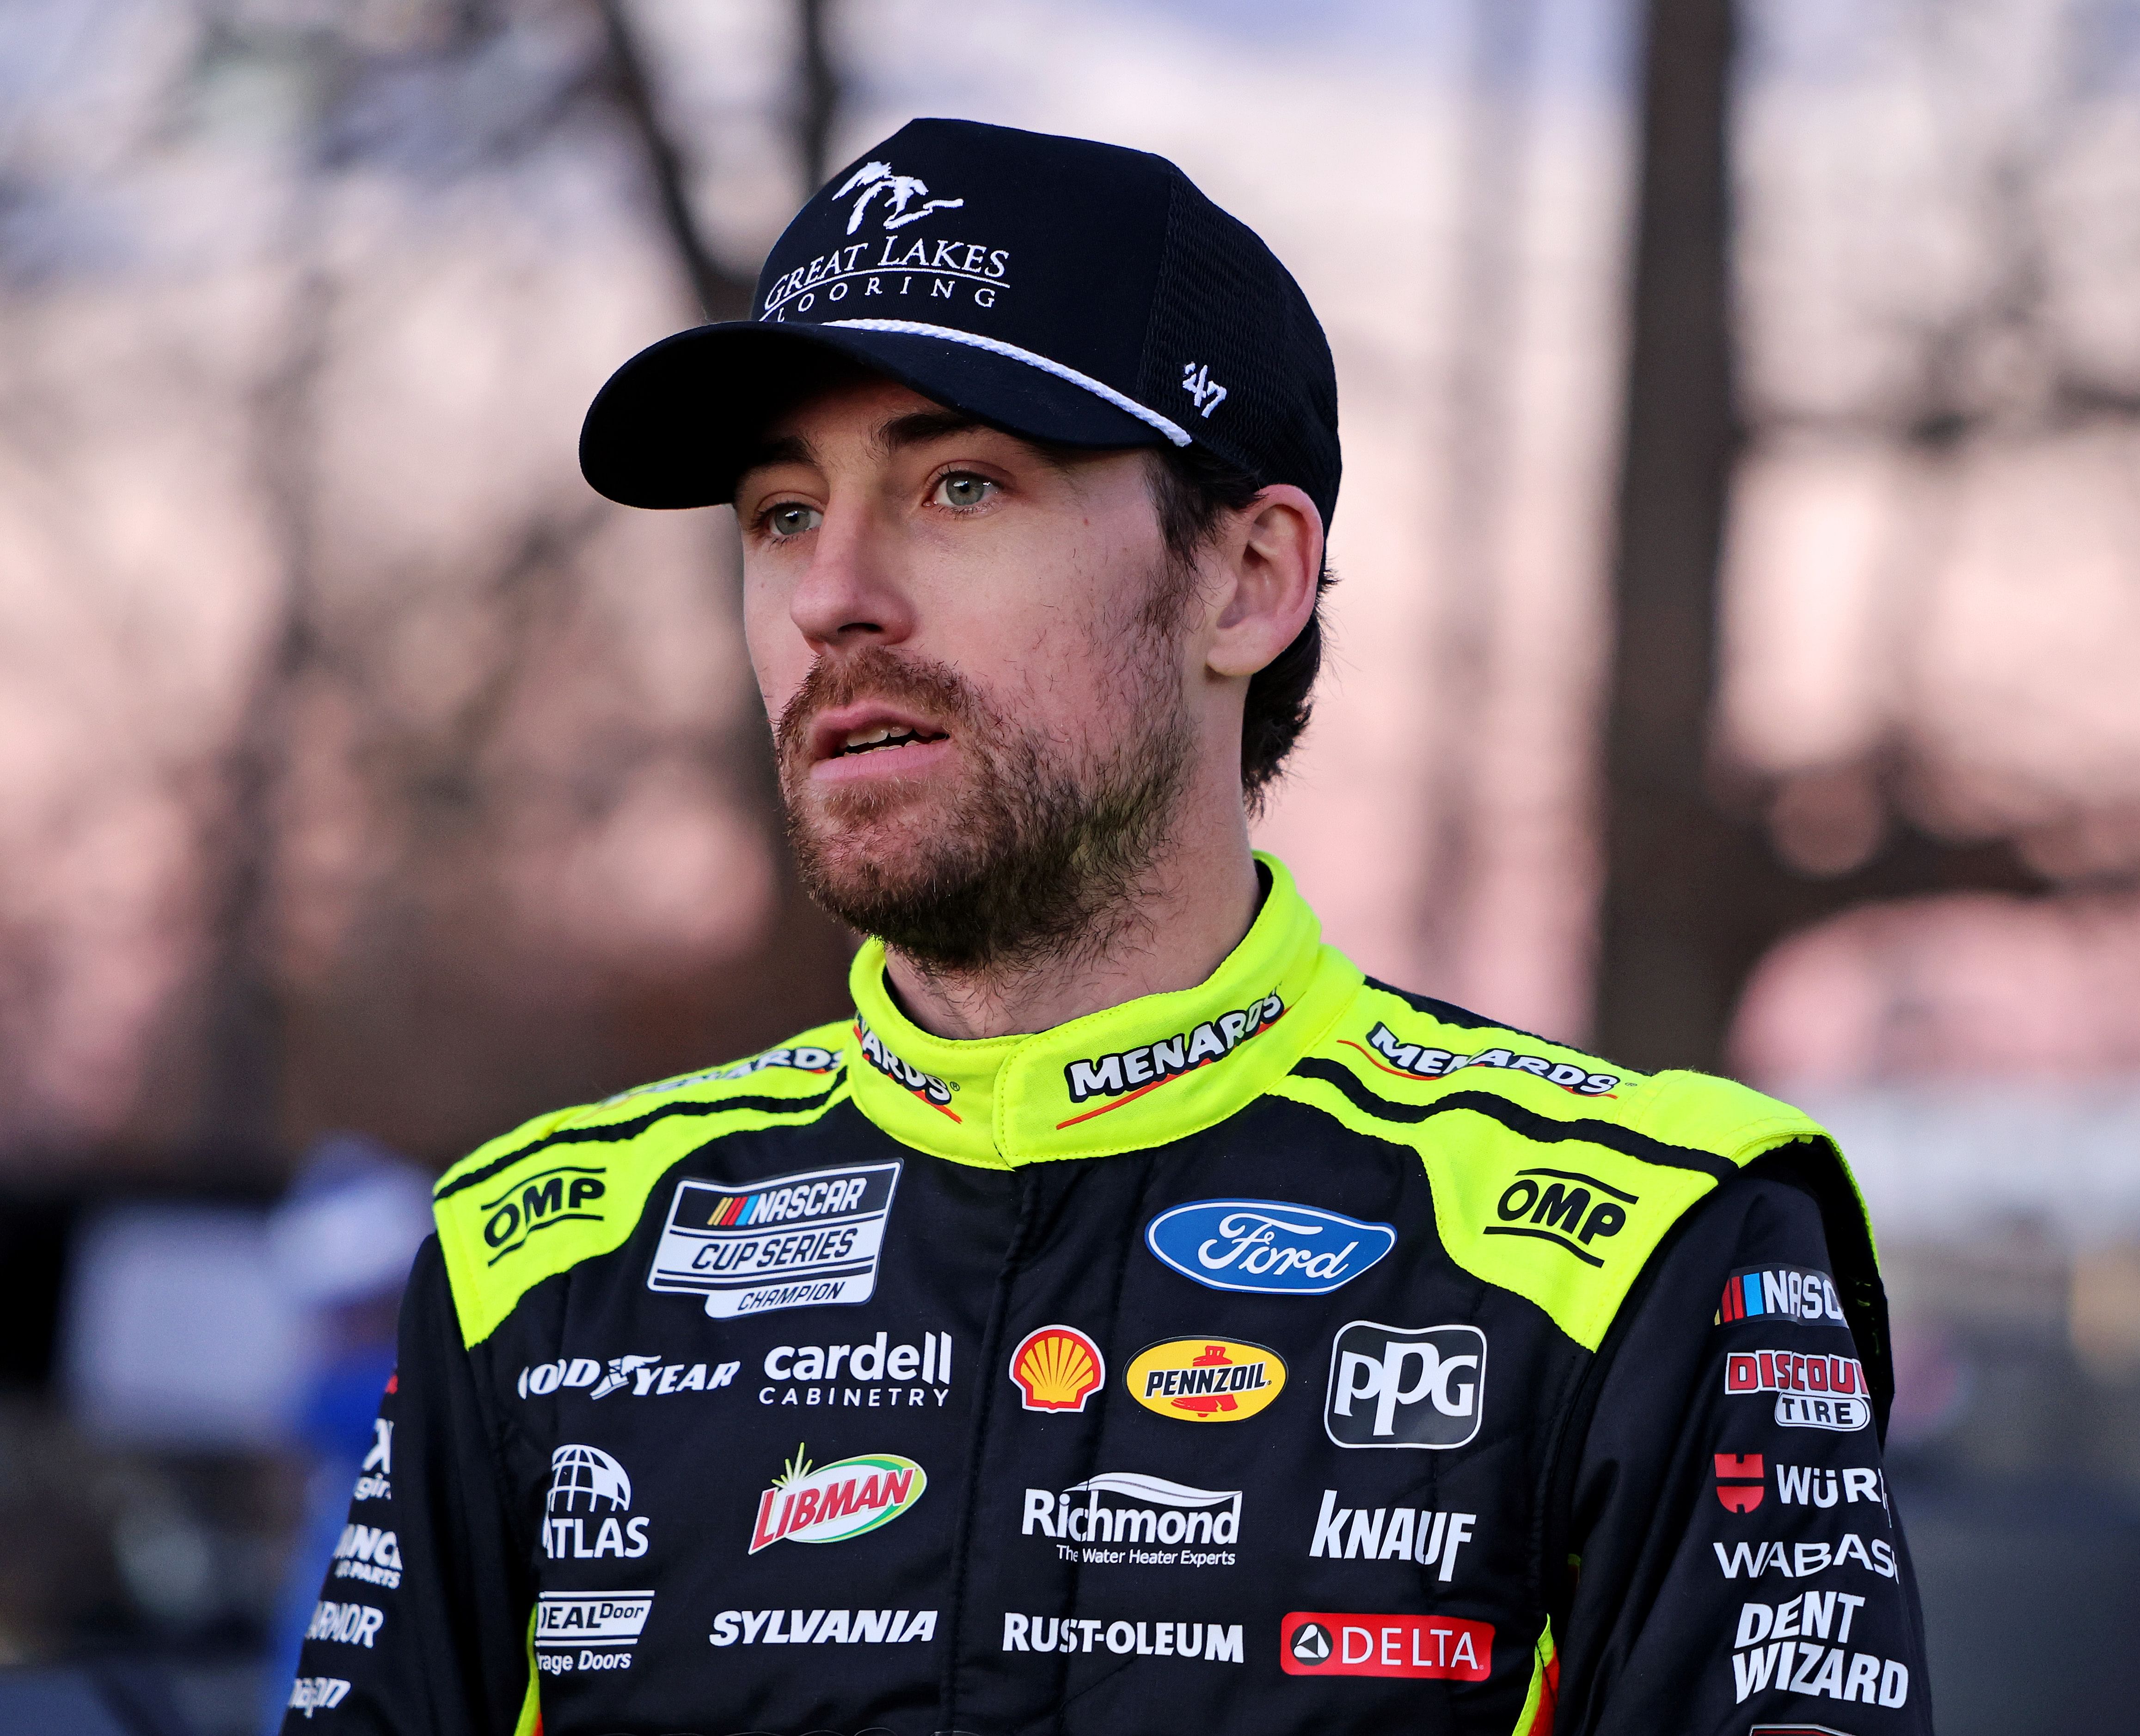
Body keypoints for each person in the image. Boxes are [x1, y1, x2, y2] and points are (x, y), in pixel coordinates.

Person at [278, 117, 1932, 1736]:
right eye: (782, 511)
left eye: (963, 485)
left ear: (1248, 582)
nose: (830, 590)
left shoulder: (1644, 1252)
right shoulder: (539, 1264)